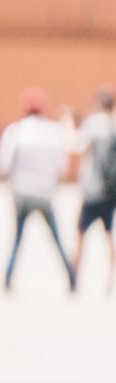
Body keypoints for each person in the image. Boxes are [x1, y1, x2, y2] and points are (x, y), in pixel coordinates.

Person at [0, 88, 77, 294]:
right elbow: (63, 167)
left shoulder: (16, 131)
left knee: (17, 238)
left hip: (22, 191)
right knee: (56, 238)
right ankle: (71, 277)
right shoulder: (54, 132)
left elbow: (2, 164)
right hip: (45, 193)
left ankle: (7, 278)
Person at [70, 87, 116, 293]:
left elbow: (77, 146)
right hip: (110, 190)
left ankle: (74, 279)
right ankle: (109, 281)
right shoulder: (113, 127)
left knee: (81, 234)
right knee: (109, 235)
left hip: (91, 190)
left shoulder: (92, 124)